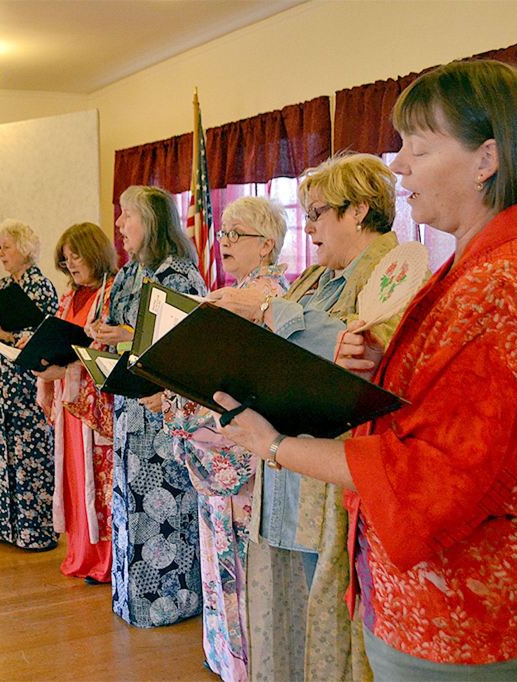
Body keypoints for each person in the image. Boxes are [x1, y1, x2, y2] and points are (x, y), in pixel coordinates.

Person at [215, 60, 517, 681]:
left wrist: (275, 445)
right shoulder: (482, 262)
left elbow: (435, 472)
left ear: (486, 160)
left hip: (465, 612)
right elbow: (448, 412)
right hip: (439, 598)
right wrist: (380, 378)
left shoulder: (506, 282)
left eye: (416, 148)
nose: (398, 166)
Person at [208, 153, 406, 681]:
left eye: (317, 213)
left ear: (359, 211)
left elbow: (348, 349)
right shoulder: (319, 278)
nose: (310, 226)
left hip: (332, 482)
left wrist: (265, 311)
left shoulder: (392, 275)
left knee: (335, 623)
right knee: (292, 616)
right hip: (288, 474)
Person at [164, 197, 288, 680]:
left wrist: (175, 403)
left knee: (241, 567)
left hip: (240, 456)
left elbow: (237, 387)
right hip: (220, 454)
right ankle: (227, 656)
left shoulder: (264, 300)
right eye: (225, 234)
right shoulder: (234, 293)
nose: (225, 242)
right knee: (222, 563)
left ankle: (245, 664)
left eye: (238, 235)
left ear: (268, 246)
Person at [87, 185, 206, 628]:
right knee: (129, 507)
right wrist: (102, 330)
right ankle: (133, 598)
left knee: (163, 512)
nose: (119, 225)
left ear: (152, 221)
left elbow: (190, 347)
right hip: (129, 411)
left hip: (162, 416)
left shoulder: (179, 276)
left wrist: (128, 335)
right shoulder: (130, 273)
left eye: (127, 215)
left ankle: (169, 602)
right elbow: (119, 326)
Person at [0, 219, 59, 550]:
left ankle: (35, 532)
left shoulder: (41, 288)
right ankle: (7, 528)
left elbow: (44, 339)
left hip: (26, 387)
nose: (1, 253)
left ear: (24, 249)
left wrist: (4, 334)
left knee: (30, 458)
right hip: (1, 385)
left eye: (6, 246)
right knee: (3, 454)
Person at [34, 222, 117, 582]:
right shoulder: (70, 296)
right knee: (74, 478)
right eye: (65, 259)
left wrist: (65, 368)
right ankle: (81, 553)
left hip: (94, 406)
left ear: (95, 253)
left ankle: (104, 560)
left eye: (76, 256)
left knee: (98, 482)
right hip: (69, 403)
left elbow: (105, 349)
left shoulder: (112, 292)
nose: (70, 265)